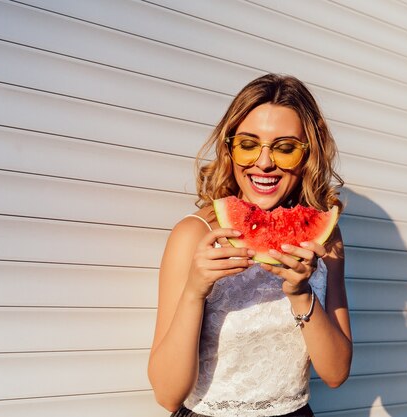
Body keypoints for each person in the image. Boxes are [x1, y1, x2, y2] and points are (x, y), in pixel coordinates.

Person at [148, 74, 352, 417]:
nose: (264, 162)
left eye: (285, 148)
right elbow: (168, 395)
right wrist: (194, 292)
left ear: (307, 155)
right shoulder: (192, 234)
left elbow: (335, 374)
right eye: (248, 144)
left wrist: (301, 293)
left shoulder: (326, 240)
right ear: (229, 149)